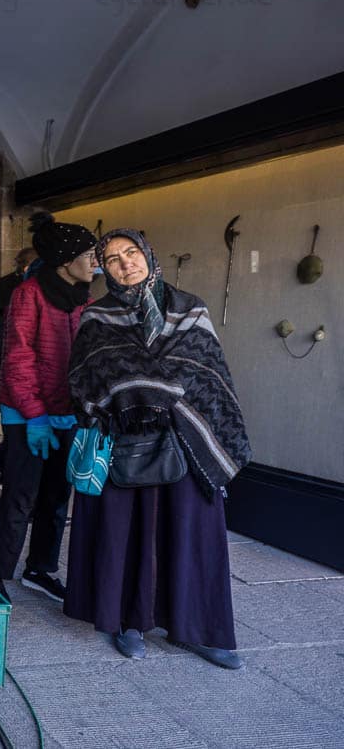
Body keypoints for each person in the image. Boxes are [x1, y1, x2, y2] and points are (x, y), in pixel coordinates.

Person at [65, 229, 251, 669]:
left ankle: (200, 630)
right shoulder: (97, 317)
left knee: (191, 533)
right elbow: (83, 379)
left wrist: (156, 390)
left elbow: (208, 375)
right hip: (127, 441)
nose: (125, 262)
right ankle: (131, 622)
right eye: (112, 258)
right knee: (129, 533)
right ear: (104, 270)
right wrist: (136, 395)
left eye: (131, 253)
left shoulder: (190, 309)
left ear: (148, 254)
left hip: (186, 441)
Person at [0, 214, 97, 602]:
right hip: (27, 414)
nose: (95, 261)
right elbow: (18, 359)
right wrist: (35, 416)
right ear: (66, 260)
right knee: (20, 494)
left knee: (57, 496)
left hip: (68, 414)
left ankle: (41, 569)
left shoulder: (85, 299)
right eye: (89, 254)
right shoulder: (28, 294)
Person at [0, 247, 39, 486]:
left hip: (9, 368)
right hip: (16, 372)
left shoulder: (12, 290)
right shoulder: (22, 293)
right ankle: (6, 473)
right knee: (20, 429)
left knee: (18, 429)